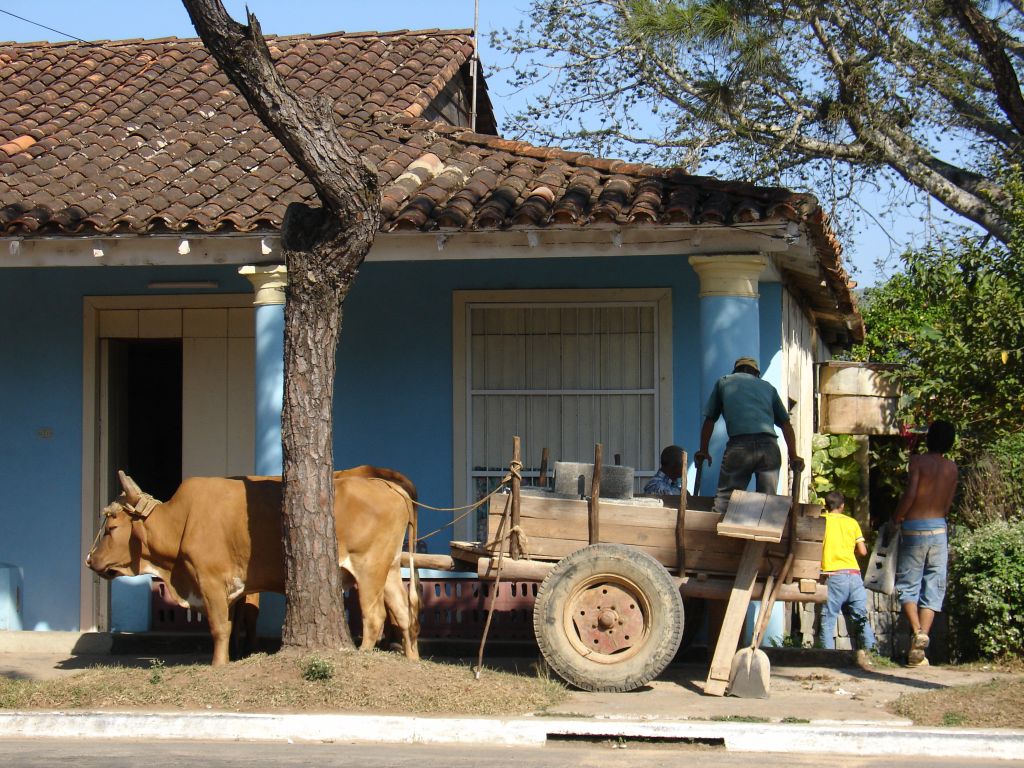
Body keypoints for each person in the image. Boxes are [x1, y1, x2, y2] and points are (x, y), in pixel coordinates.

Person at [694, 357, 804, 512]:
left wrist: (703, 450)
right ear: (756, 374)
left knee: (726, 499)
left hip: (740, 446)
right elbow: (786, 424)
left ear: (736, 371)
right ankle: (764, 532)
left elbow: (710, 419)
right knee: (767, 501)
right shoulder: (768, 388)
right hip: (769, 447)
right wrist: (794, 456)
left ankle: (716, 533)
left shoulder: (724, 382)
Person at [892, 420, 959, 668]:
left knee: (909, 585)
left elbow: (910, 494)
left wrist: (897, 516)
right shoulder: (952, 468)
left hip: (914, 530)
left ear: (928, 438)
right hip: (939, 530)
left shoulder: (917, 462)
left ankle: (918, 632)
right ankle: (921, 641)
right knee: (933, 586)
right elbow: (948, 504)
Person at [819, 491, 876, 660]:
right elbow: (863, 551)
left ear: (826, 505)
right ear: (842, 505)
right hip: (854, 574)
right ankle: (873, 655)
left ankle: (827, 657)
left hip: (834, 576)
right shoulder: (852, 523)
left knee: (828, 619)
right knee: (861, 617)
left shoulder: (822, 522)